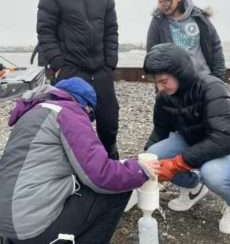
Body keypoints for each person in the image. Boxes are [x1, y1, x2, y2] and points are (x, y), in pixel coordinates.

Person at [0, 77, 160, 244]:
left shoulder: (32, 113)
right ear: (87, 107)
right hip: (32, 230)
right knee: (118, 188)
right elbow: (100, 176)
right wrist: (139, 169)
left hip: (6, 226)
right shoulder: (68, 113)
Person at [143, 43, 230, 235]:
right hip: (194, 139)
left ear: (180, 73)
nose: (159, 87)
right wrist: (145, 163)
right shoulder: (165, 97)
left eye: (164, 81)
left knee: (213, 173)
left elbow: (223, 139)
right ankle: (194, 188)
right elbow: (160, 131)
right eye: (156, 82)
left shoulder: (213, 88)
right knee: (153, 157)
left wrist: (177, 163)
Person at [36, 0, 119, 159]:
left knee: (109, 120)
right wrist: (59, 64)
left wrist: (110, 63)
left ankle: (109, 157)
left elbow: (111, 30)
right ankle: (75, 165)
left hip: (100, 69)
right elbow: (45, 32)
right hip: (71, 69)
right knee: (72, 124)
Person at [146, 0, 226, 81]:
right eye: (160, 1)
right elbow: (152, 54)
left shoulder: (198, 17)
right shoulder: (158, 21)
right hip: (175, 84)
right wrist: (162, 83)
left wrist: (219, 78)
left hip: (204, 79)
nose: (164, 4)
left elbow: (215, 46)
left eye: (167, 0)